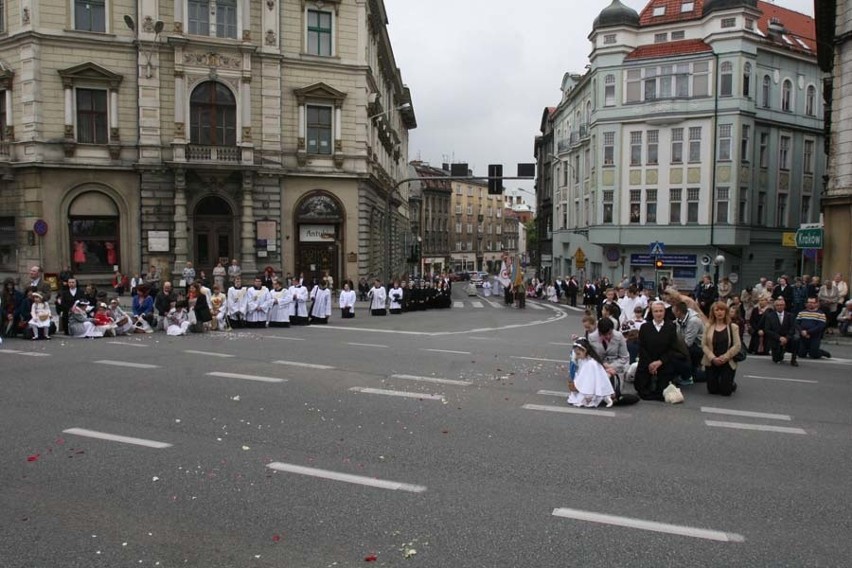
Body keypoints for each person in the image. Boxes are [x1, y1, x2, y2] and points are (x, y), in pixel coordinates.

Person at [634, 301, 684, 401]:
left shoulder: (670, 327)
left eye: (661, 311)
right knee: (642, 389)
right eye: (656, 311)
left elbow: (672, 348)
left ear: (664, 312)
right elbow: (642, 347)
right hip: (647, 362)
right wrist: (651, 363)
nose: (658, 314)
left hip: (663, 362)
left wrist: (659, 362)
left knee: (662, 390)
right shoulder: (645, 327)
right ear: (652, 313)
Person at [701, 301, 742, 396]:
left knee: (725, 392)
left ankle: (730, 383)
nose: (720, 312)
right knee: (712, 390)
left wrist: (724, 357)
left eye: (722, 310)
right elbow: (703, 345)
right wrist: (712, 358)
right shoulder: (708, 326)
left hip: (727, 361)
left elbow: (737, 345)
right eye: (717, 310)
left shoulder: (733, 327)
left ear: (726, 312)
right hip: (712, 361)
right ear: (713, 312)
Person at [566, 338, 615, 408]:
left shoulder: (592, 363)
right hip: (587, 386)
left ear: (585, 351)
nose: (577, 356)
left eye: (578, 354)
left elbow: (594, 379)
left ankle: (600, 396)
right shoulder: (584, 360)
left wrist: (577, 383)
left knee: (581, 398)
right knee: (579, 396)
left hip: (592, 388)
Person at [762, 297, 799, 366]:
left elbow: (792, 328)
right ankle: (781, 352)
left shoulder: (790, 315)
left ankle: (793, 359)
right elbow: (767, 330)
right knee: (777, 359)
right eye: (777, 305)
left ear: (784, 306)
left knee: (796, 339)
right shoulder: (769, 316)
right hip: (776, 339)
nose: (779, 307)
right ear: (775, 306)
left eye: (781, 305)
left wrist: (786, 338)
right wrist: (779, 338)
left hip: (788, 338)